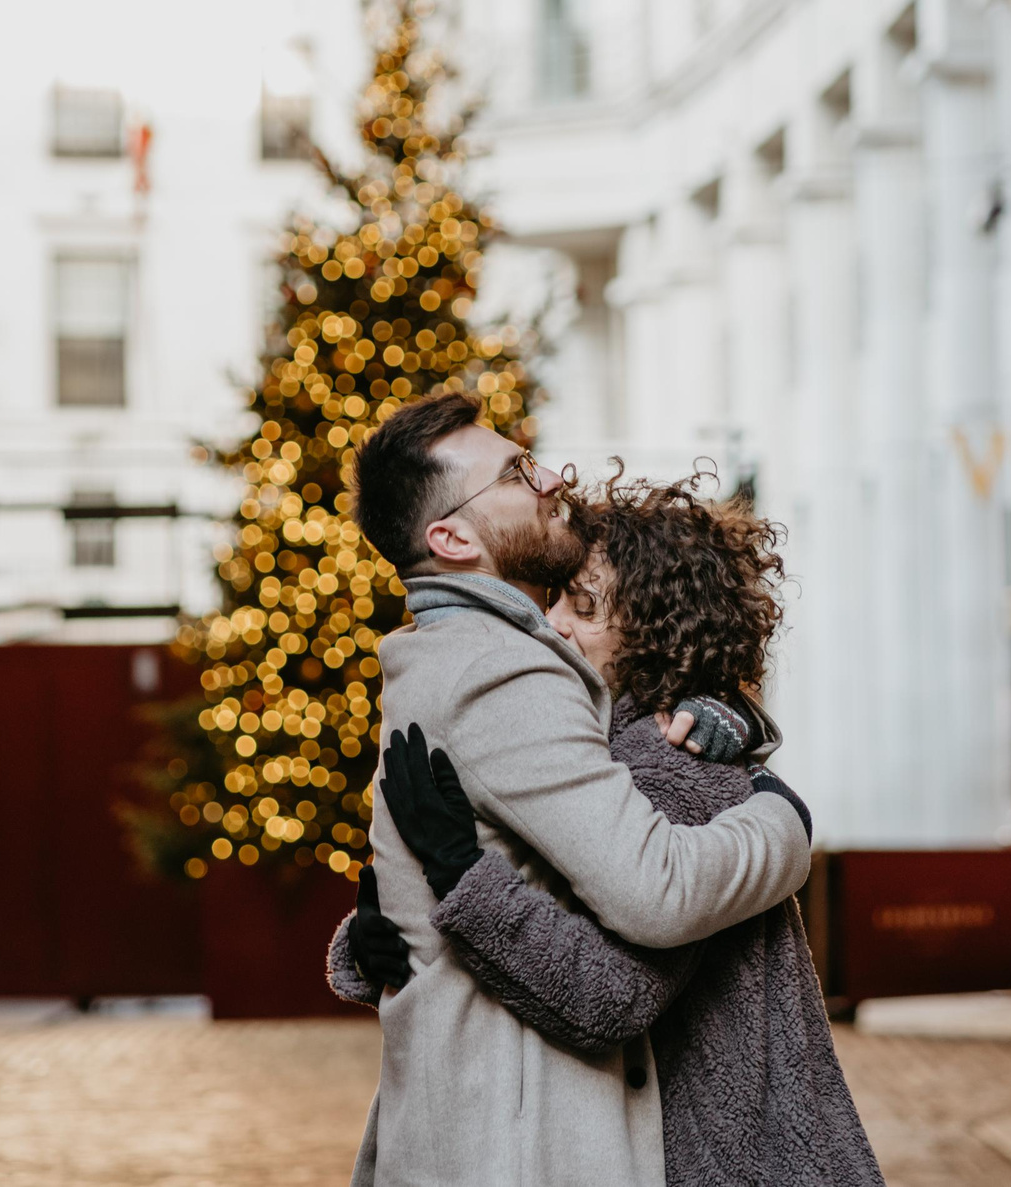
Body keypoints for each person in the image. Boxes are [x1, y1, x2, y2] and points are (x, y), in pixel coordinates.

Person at [333, 475, 885, 1187]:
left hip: (736, 1161)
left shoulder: (673, 763)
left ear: (654, 629)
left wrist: (460, 875)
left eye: (584, 606)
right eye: (556, 596)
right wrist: (376, 938)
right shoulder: (597, 745)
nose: (554, 623)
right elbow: (551, 889)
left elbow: (610, 993)